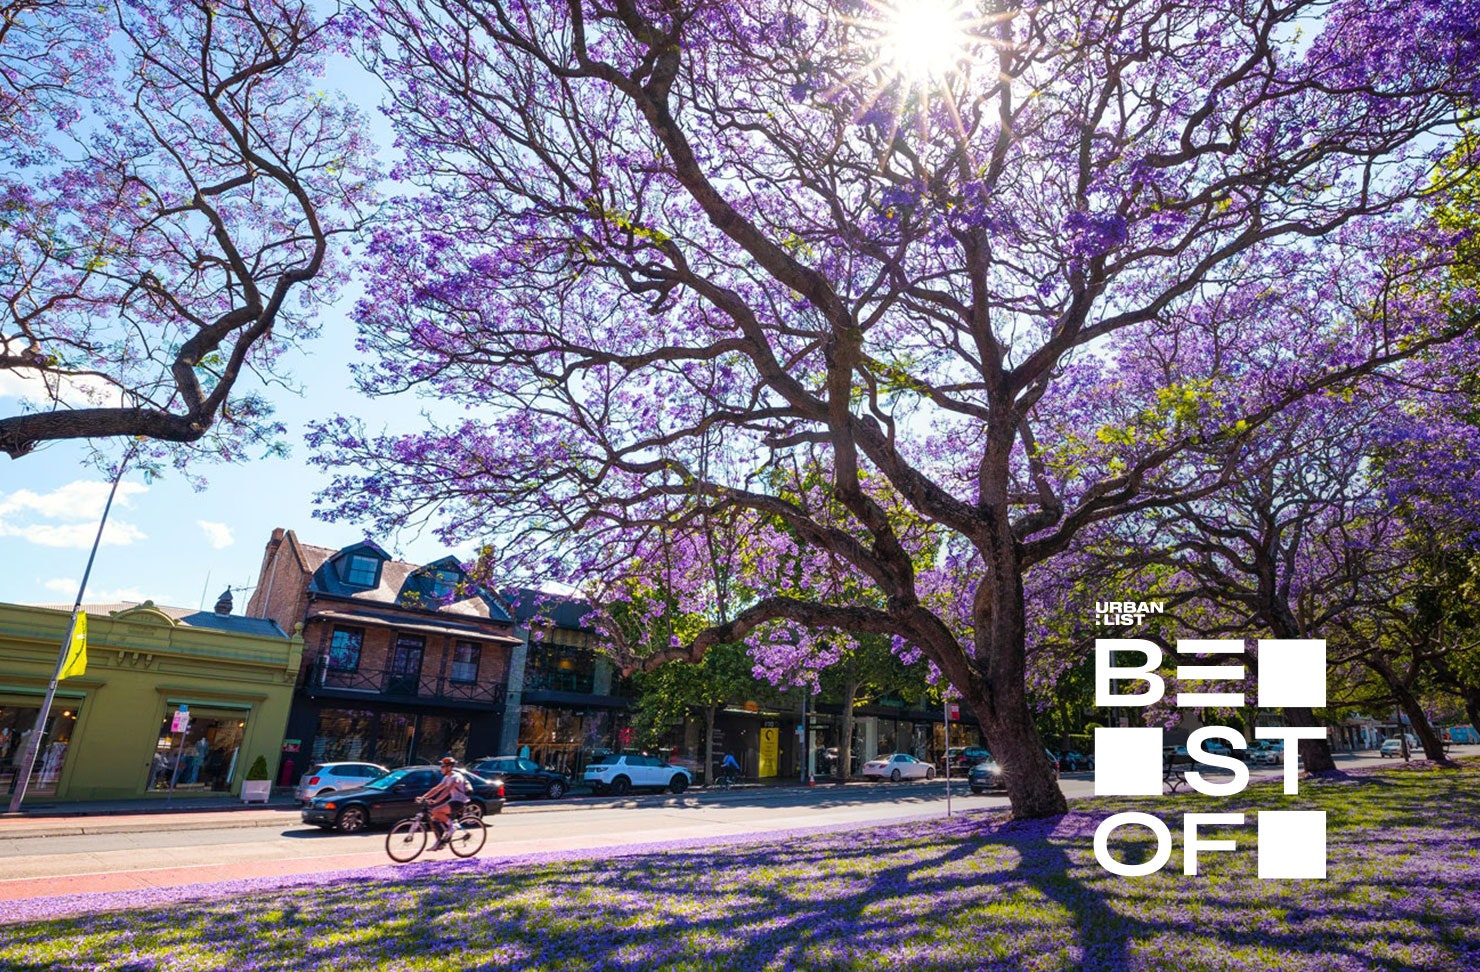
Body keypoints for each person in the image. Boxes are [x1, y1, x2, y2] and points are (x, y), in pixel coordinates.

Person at [417, 756, 469, 848]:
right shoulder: (447, 777)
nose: (441, 768)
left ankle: (453, 826)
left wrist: (436, 801)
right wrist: (423, 797)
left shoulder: (456, 777)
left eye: (443, 766)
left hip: (460, 802)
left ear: (449, 767)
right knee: (433, 820)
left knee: (436, 811)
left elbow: (447, 791)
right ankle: (441, 842)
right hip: (453, 800)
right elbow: (436, 789)